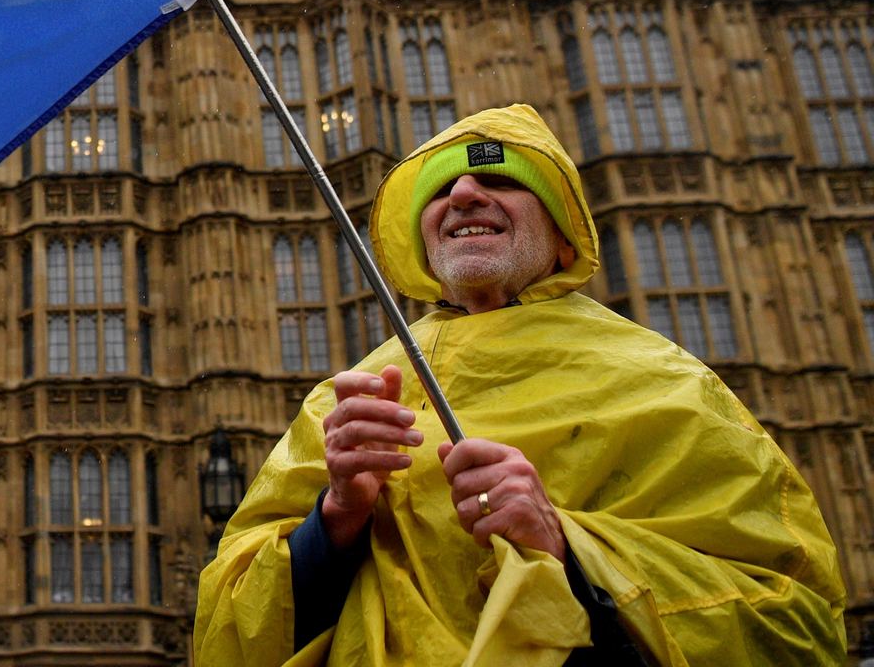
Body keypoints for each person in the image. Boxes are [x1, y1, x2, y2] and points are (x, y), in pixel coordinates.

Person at [194, 104, 845, 666]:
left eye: (502, 179)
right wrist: (336, 519)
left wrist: (567, 551)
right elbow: (227, 637)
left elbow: (797, 628)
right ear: (420, 241)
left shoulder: (669, 384)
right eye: (441, 191)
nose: (466, 193)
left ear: (564, 241)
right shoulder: (349, 399)